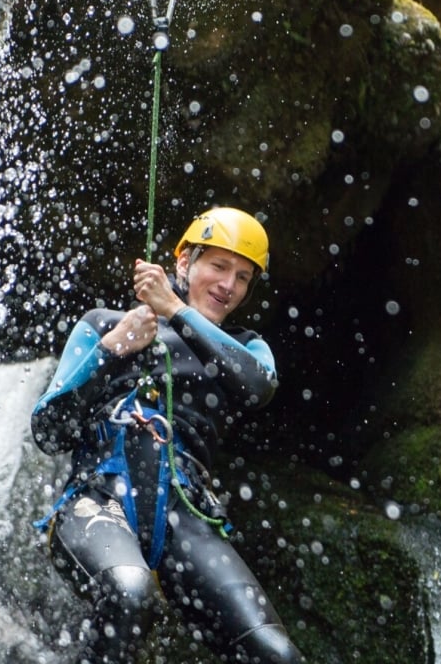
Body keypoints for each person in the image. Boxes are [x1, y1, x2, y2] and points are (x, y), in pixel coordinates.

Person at [31, 206, 303, 664]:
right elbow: (48, 429)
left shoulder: (247, 347)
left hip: (186, 516)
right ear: (183, 263)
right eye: (218, 266)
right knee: (129, 591)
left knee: (274, 653)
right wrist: (111, 350)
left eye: (242, 277)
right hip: (98, 500)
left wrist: (175, 310)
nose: (228, 285)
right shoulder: (105, 324)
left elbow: (256, 388)